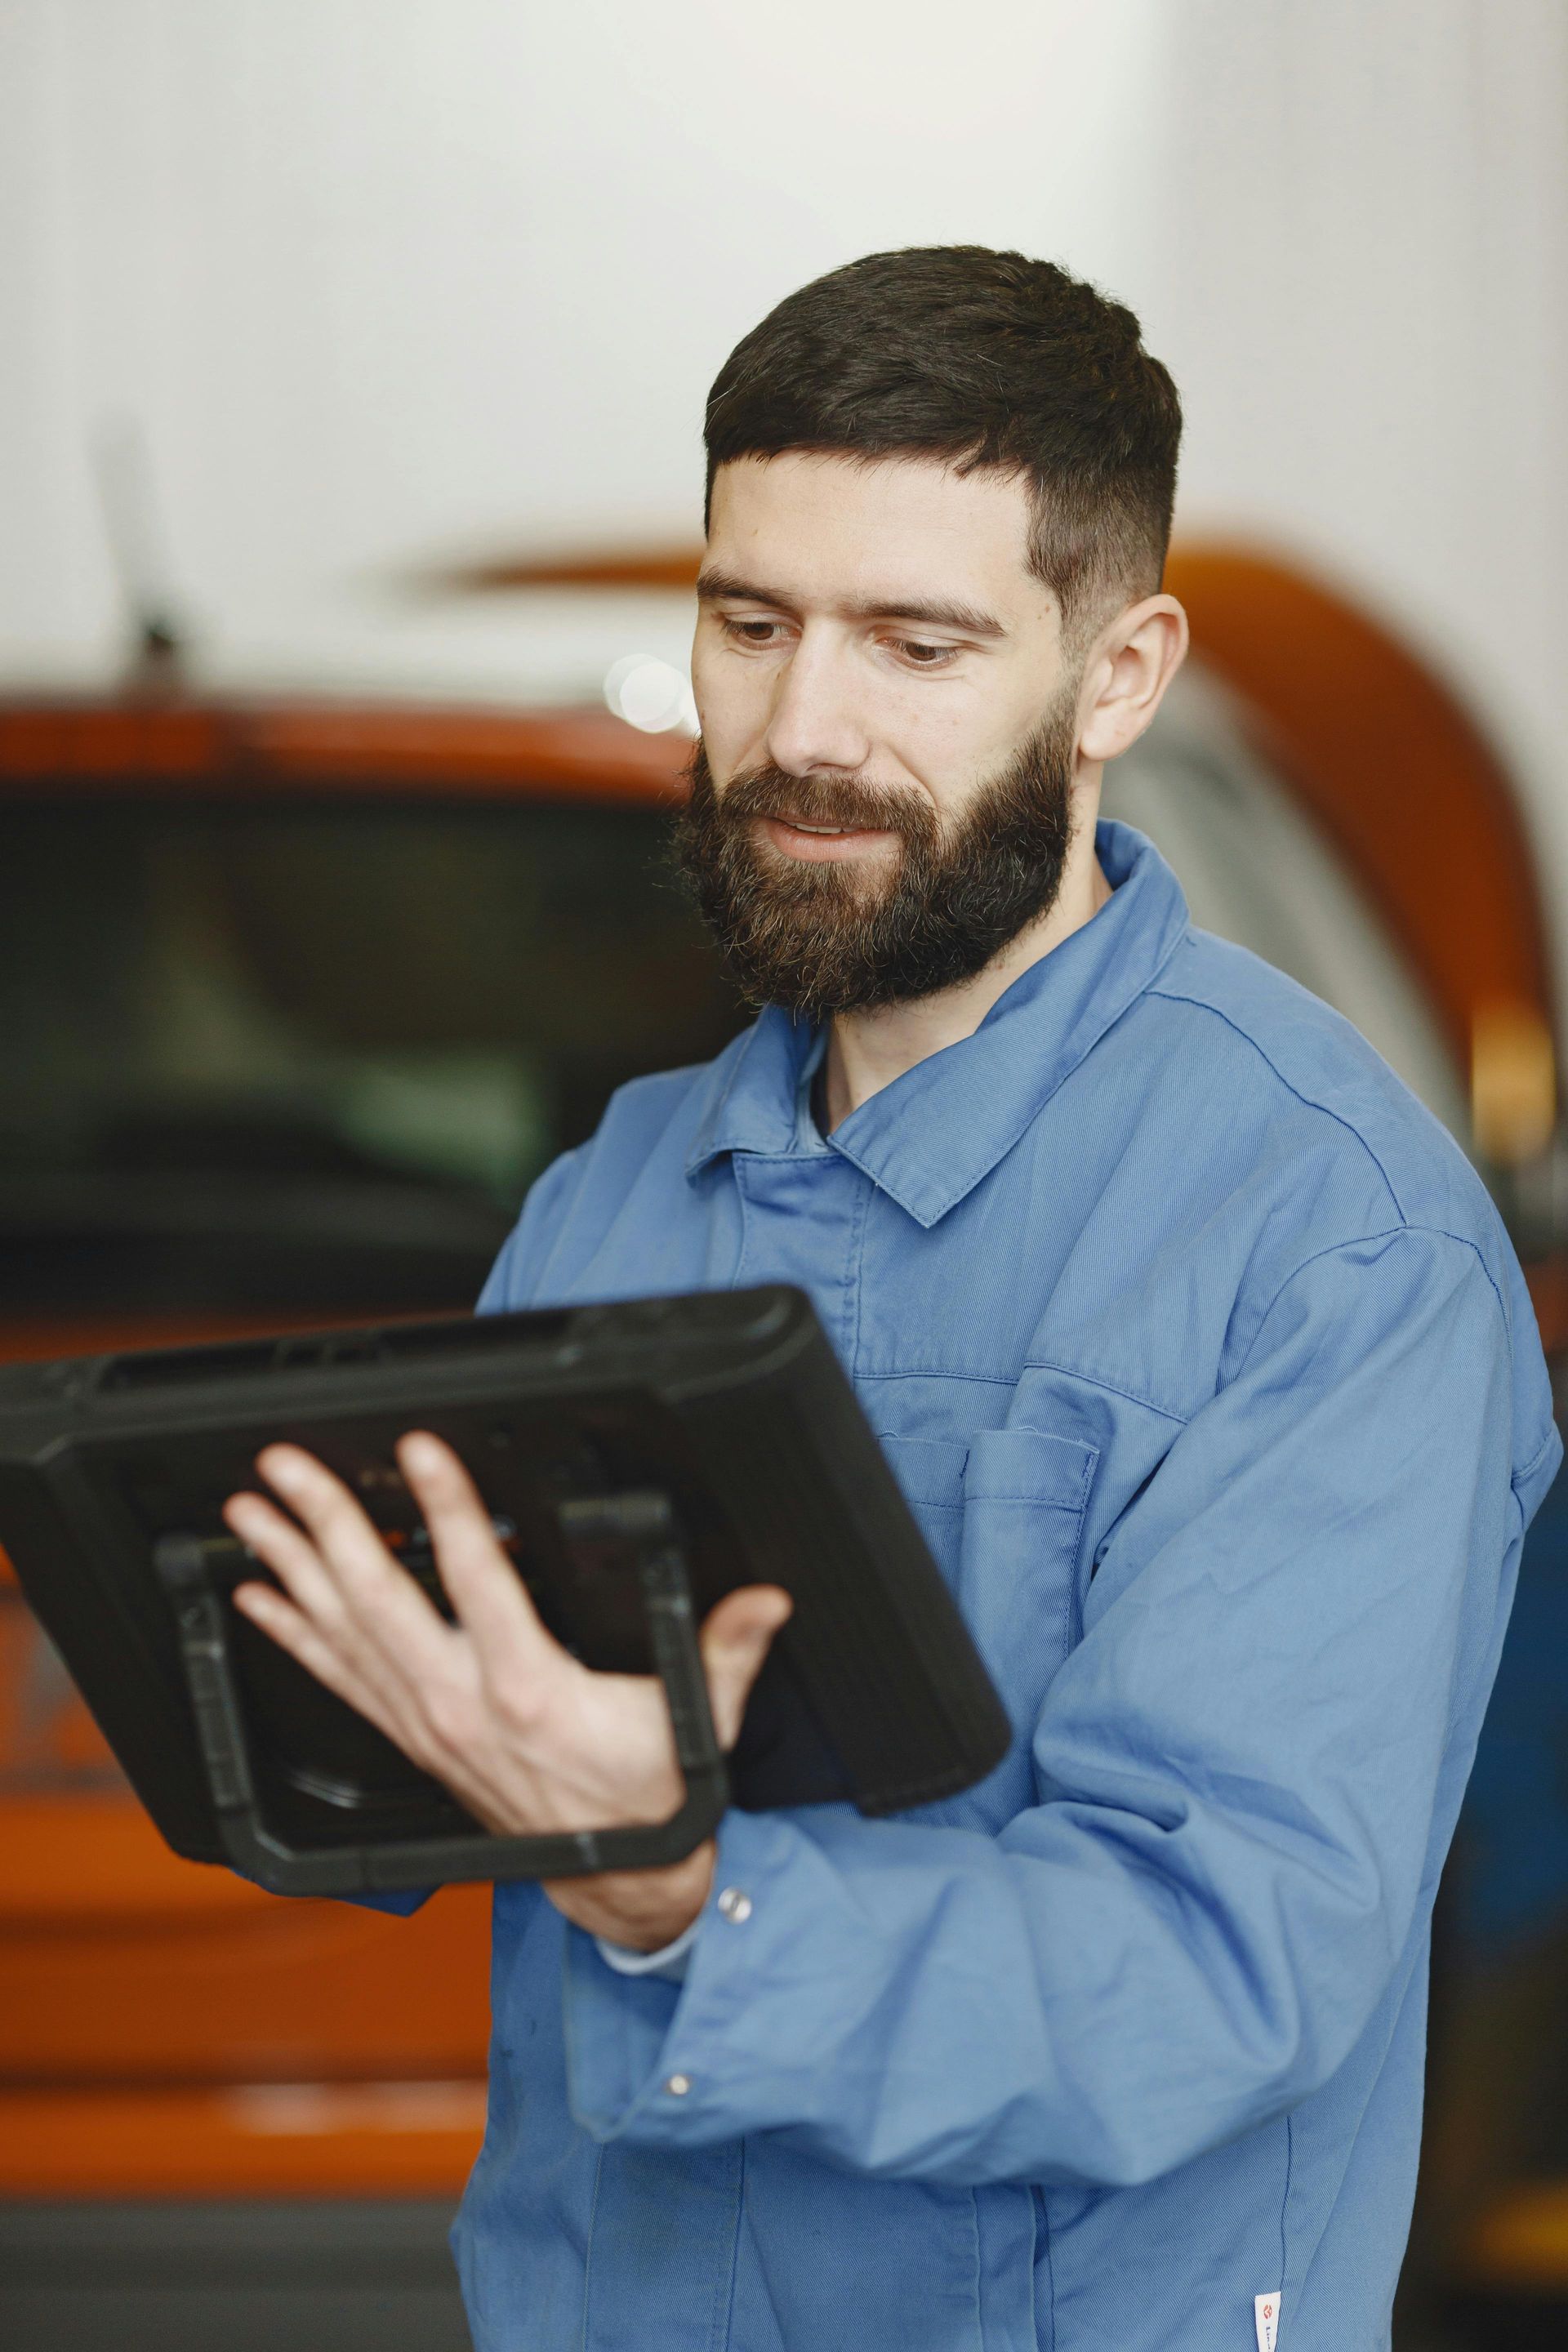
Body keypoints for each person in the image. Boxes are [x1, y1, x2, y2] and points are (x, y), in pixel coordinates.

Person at [220, 247, 1560, 2352]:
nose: (802, 726)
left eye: (916, 643)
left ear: (1119, 676)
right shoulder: (617, 1196)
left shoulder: (1327, 1234)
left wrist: (681, 1886)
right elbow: (414, 1789)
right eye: (750, 624)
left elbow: (1219, 1959)